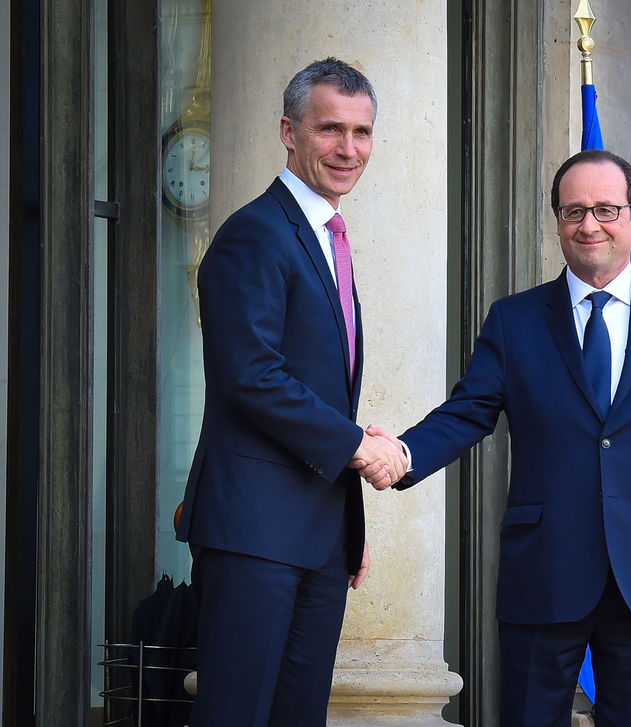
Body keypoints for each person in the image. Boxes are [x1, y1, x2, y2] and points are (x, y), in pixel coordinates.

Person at [360, 149, 631, 727]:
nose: (589, 225)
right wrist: (402, 453)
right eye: (573, 211)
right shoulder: (515, 319)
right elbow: (468, 412)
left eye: (606, 210)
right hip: (545, 567)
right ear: (557, 221)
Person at [176, 58, 407, 726]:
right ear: (288, 130)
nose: (348, 148)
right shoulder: (254, 233)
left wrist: (344, 519)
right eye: (330, 128)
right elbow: (251, 373)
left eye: (361, 132)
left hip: (316, 534)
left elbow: (317, 386)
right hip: (254, 531)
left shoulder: (327, 238)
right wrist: (359, 449)